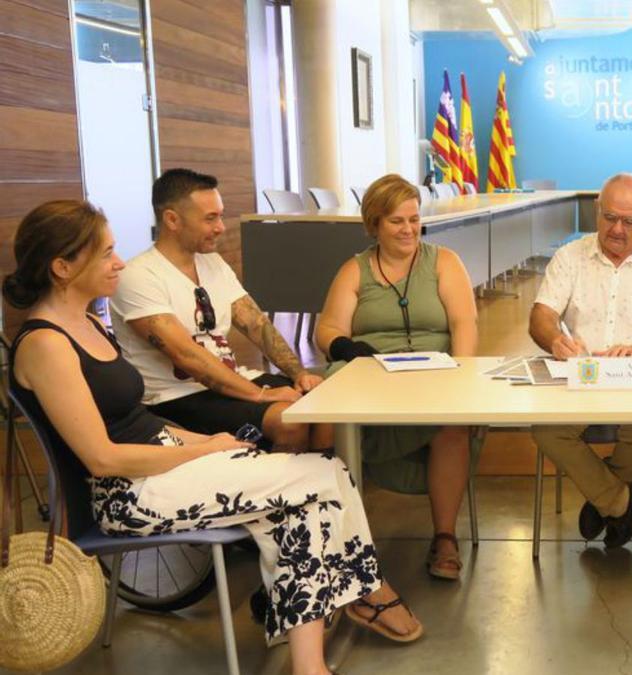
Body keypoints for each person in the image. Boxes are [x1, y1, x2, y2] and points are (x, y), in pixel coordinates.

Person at [3, 200, 422, 675]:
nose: (118, 262)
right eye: (106, 253)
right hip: (131, 495)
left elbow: (135, 420)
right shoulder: (46, 345)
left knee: (309, 499)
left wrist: (196, 441)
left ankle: (311, 662)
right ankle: (364, 595)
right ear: (63, 267)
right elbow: (102, 458)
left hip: (167, 464)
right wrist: (204, 447)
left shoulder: (90, 323)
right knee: (322, 477)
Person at [315, 173, 478, 580]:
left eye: (414, 219)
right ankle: (338, 536)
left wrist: (460, 374)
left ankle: (444, 538)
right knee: (323, 421)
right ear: (374, 225)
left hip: (436, 375)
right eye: (396, 221)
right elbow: (328, 330)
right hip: (371, 376)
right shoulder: (354, 270)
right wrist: (351, 351)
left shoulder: (444, 262)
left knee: (453, 426)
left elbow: (465, 324)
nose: (409, 229)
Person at [109, 168, 329, 452]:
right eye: (210, 218)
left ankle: (318, 488)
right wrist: (261, 395)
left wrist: (299, 372)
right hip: (177, 397)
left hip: (233, 383)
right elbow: (188, 356)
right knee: (290, 420)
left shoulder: (212, 263)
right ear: (172, 220)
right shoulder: (138, 275)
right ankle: (277, 493)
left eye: (220, 215)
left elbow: (256, 325)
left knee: (325, 402)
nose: (221, 227)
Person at [528, 173, 632, 549]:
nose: (616, 229)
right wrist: (556, 340)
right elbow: (540, 316)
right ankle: (619, 500)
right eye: (609, 217)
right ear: (597, 210)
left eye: (629, 222)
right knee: (545, 429)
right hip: (580, 376)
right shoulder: (570, 256)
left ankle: (603, 501)